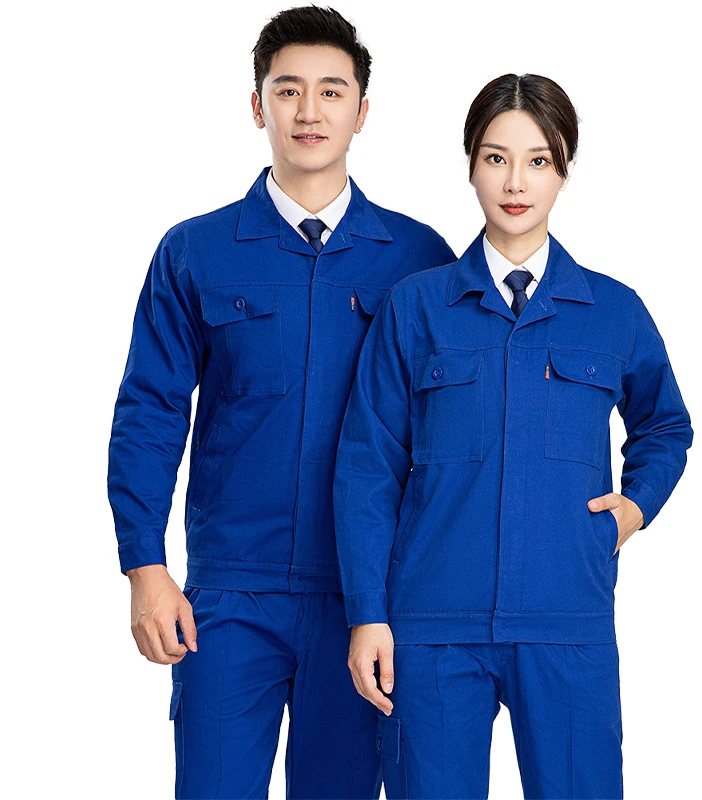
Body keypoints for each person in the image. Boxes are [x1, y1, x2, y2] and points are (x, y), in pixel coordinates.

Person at [107, 7, 455, 799]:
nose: (309, 110)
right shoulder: (195, 251)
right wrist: (145, 566)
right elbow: (150, 413)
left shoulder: (420, 259)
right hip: (231, 595)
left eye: (332, 91)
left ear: (362, 112)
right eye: (288, 89)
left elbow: (454, 432)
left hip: (366, 598)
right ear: (257, 105)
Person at [333, 74, 693, 799]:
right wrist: (368, 613)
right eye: (496, 158)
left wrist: (635, 505)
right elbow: (368, 466)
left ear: (564, 170)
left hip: (567, 617)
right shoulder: (416, 307)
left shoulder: (613, 310)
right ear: (471, 164)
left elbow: (665, 424)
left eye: (538, 160)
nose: (516, 182)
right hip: (430, 625)